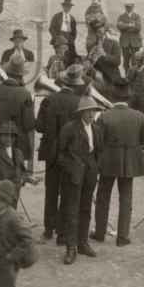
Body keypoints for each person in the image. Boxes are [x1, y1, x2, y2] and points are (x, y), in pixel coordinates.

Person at [91, 86, 144, 246]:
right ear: (129, 98)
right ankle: (123, 236)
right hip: (129, 161)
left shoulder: (104, 116)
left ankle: (100, 232)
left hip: (108, 160)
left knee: (103, 195)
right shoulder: (139, 116)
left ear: (113, 97)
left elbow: (97, 140)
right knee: (126, 197)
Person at [36, 65, 84, 241]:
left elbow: (39, 127)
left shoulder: (48, 100)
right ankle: (62, 233)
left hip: (51, 152)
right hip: (70, 154)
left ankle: (48, 228)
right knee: (67, 191)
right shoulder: (79, 102)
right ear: (76, 84)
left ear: (63, 81)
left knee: (51, 190)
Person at [58, 96, 104, 264]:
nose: (91, 113)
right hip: (73, 175)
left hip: (90, 175)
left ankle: (82, 243)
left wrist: (96, 167)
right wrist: (70, 167)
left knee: (86, 209)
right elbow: (58, 152)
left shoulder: (97, 129)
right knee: (72, 210)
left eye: (94, 110)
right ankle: (71, 247)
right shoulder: (70, 128)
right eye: (88, 110)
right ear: (81, 112)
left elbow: (101, 151)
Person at [0, 55, 37, 166]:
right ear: (21, 76)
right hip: (17, 147)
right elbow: (29, 125)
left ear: (7, 73)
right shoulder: (25, 94)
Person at [0, 122, 39, 218]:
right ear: (0, 136)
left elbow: (23, 171)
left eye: (12, 136)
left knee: (10, 218)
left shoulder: (19, 153)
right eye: (6, 135)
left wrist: (22, 180)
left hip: (14, 194)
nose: (9, 139)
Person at [115, 2, 143, 73]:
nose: (128, 8)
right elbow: (119, 26)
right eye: (126, 7)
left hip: (135, 42)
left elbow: (138, 28)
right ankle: (127, 76)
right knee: (126, 61)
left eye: (130, 7)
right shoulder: (121, 16)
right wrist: (130, 25)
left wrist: (125, 27)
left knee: (135, 61)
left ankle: (134, 76)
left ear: (133, 7)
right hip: (124, 42)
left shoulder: (137, 16)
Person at [49, 0, 79, 64]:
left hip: (69, 37)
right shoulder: (57, 16)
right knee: (60, 55)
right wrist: (56, 37)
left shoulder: (72, 18)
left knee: (71, 55)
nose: (67, 8)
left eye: (69, 7)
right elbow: (51, 28)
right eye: (65, 6)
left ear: (71, 8)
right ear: (62, 7)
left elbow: (74, 30)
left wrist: (72, 38)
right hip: (60, 35)